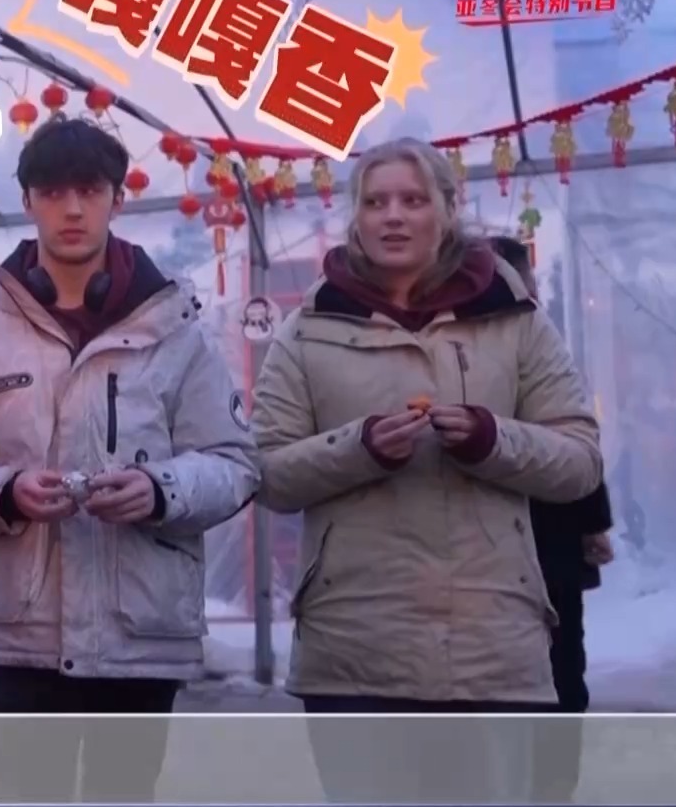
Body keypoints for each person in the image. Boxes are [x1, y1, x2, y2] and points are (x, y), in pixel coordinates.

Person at [252, 139, 603, 801]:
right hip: (353, 646)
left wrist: (492, 439)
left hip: (489, 644)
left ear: (446, 209)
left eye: (413, 200)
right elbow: (266, 473)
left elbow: (580, 460)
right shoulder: (307, 328)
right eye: (376, 201)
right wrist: (358, 448)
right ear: (356, 216)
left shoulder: (515, 321)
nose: (393, 216)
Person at [0, 116, 259, 802]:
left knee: (123, 794)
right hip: (23, 635)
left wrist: (160, 489)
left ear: (118, 198)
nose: (72, 209)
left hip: (141, 635)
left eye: (89, 190)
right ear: (27, 201)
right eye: (53, 192)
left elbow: (234, 463)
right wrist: (5, 493)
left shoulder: (176, 330)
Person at [487, 235, 614, 802]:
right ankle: (547, 787)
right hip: (531, 535)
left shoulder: (518, 338)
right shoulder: (520, 338)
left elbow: (576, 440)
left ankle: (547, 787)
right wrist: (593, 523)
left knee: (554, 672)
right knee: (554, 672)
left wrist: (593, 521)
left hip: (536, 536)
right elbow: (576, 436)